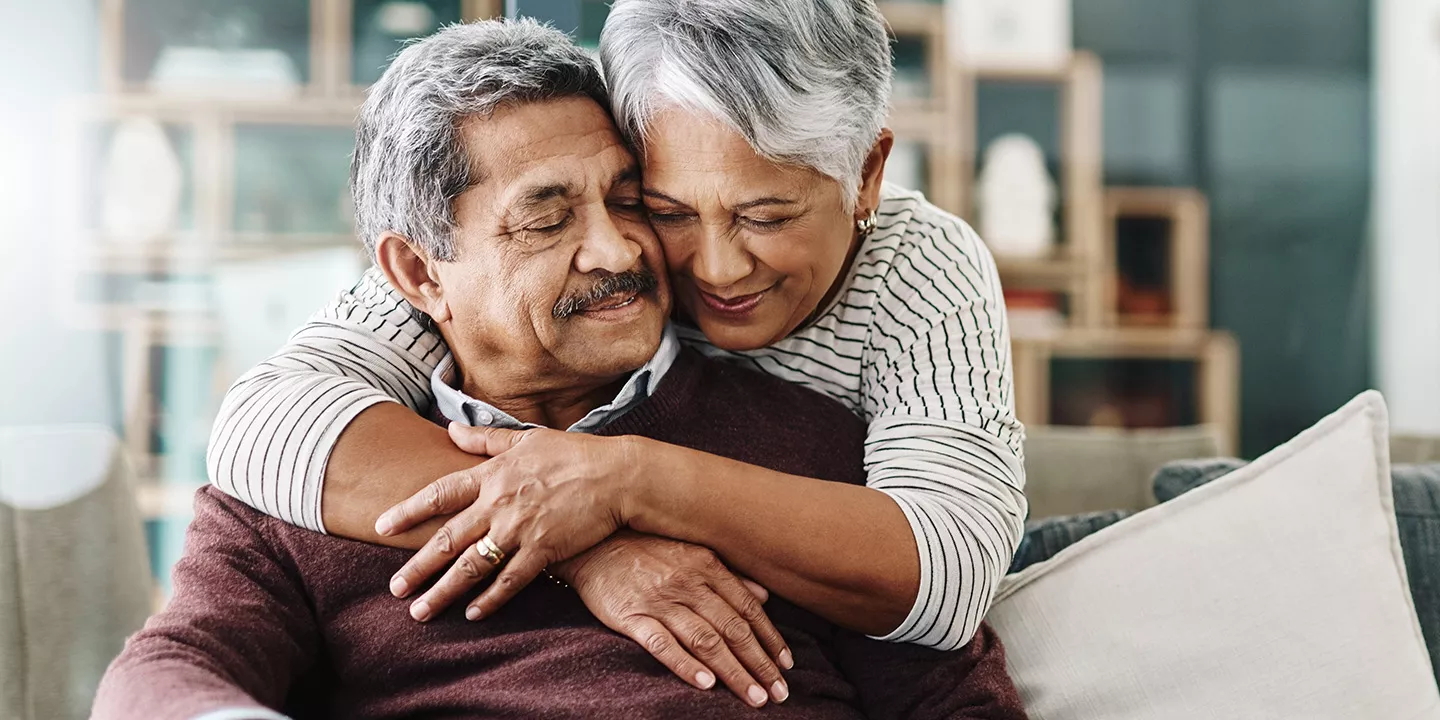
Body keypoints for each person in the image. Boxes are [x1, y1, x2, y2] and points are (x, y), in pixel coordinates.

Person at [93, 20, 1028, 718]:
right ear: (420, 274)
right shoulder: (316, 475)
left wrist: (623, 483)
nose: (621, 250)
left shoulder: (818, 453)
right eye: (546, 220)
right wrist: (589, 547)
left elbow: (952, 684)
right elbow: (164, 678)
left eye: (629, 201)